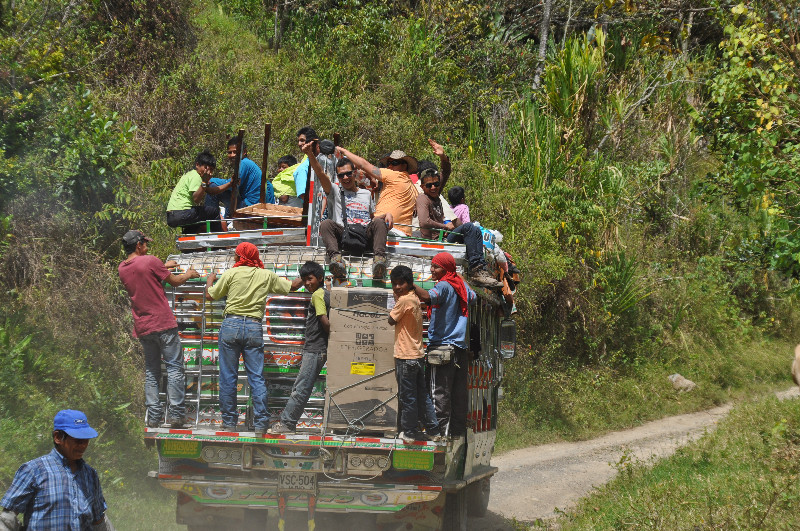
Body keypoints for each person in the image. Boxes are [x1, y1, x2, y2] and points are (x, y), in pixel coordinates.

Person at [205, 242, 303, 434]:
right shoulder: (265, 275)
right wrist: (310, 272)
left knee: (228, 377)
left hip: (230, 326)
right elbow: (292, 287)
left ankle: (229, 423)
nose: (234, 257)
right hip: (253, 327)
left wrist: (210, 279)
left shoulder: (231, 274)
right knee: (256, 378)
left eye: (236, 255)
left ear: (241, 257)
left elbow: (211, 295)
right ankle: (261, 425)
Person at [118, 230, 200, 428]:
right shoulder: (150, 261)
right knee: (174, 368)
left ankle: (154, 417)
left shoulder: (122, 268)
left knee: (152, 371)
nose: (147, 246)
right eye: (145, 243)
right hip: (163, 323)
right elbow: (174, 281)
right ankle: (176, 416)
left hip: (143, 327)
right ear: (138, 244)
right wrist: (188, 274)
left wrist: (163, 266)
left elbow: (143, 273)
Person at [0, 410, 115, 531]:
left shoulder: (90, 475)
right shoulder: (34, 470)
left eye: (86, 440)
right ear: (58, 437)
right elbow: (8, 518)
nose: (83, 445)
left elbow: (99, 522)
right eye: (77, 440)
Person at [303, 141, 389, 279]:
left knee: (379, 223)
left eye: (348, 174)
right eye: (341, 175)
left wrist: (386, 215)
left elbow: (373, 218)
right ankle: (336, 261)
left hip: (364, 233)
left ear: (354, 173)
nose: (345, 178)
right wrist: (310, 154)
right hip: (345, 233)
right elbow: (320, 172)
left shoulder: (366, 194)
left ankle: (379, 261)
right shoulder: (336, 191)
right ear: (338, 177)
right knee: (326, 224)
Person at [414, 252, 475, 439]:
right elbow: (473, 297)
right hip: (459, 350)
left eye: (436, 266)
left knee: (437, 393)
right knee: (457, 395)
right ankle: (455, 433)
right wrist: (460, 276)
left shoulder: (444, 285)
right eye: (432, 265)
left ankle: (437, 433)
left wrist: (410, 284)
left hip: (441, 349)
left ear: (446, 269)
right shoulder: (461, 286)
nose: (432, 270)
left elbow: (427, 297)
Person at [416, 157, 503, 288]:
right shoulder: (423, 198)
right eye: (429, 185)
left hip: (443, 237)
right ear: (422, 186)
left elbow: (445, 172)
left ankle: (479, 269)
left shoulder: (435, 197)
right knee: (468, 227)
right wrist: (444, 226)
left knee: (476, 231)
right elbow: (424, 222)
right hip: (435, 241)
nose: (433, 187)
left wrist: (443, 157)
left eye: (436, 184)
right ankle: (476, 271)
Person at [268, 261, 329, 434]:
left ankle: (287, 423)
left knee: (301, 387)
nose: (307, 283)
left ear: (320, 277)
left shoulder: (318, 295)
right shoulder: (325, 293)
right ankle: (288, 422)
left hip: (314, 348)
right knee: (303, 386)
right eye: (304, 280)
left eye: (310, 279)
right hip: (318, 348)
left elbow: (324, 321)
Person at [388, 265, 442, 444]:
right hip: (417, 357)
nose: (397, 287)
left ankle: (409, 433)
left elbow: (390, 320)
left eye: (401, 283)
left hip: (405, 357)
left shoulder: (404, 301)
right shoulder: (415, 299)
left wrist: (396, 299)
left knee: (408, 397)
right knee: (422, 396)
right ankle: (433, 430)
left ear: (410, 284)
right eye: (394, 284)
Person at [335, 146, 418, 237]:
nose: (390, 166)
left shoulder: (394, 175)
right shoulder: (412, 187)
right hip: (403, 233)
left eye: (394, 162)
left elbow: (364, 165)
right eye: (389, 163)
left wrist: (343, 150)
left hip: (388, 229)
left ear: (404, 166)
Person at [205, 139, 273, 215]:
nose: (232, 155)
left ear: (244, 152)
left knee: (212, 186)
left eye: (235, 152)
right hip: (252, 204)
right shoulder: (248, 164)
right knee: (232, 193)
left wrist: (211, 179)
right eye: (230, 152)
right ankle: (225, 221)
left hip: (250, 206)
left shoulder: (244, 163)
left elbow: (231, 185)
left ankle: (210, 220)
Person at [166, 150, 223, 233]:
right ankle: (219, 244)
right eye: (206, 167)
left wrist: (230, 184)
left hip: (172, 216)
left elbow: (211, 191)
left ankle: (187, 242)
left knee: (196, 221)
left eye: (211, 169)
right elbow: (196, 199)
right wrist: (204, 181)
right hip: (181, 213)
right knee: (214, 212)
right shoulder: (196, 176)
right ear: (197, 165)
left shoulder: (190, 175)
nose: (208, 172)